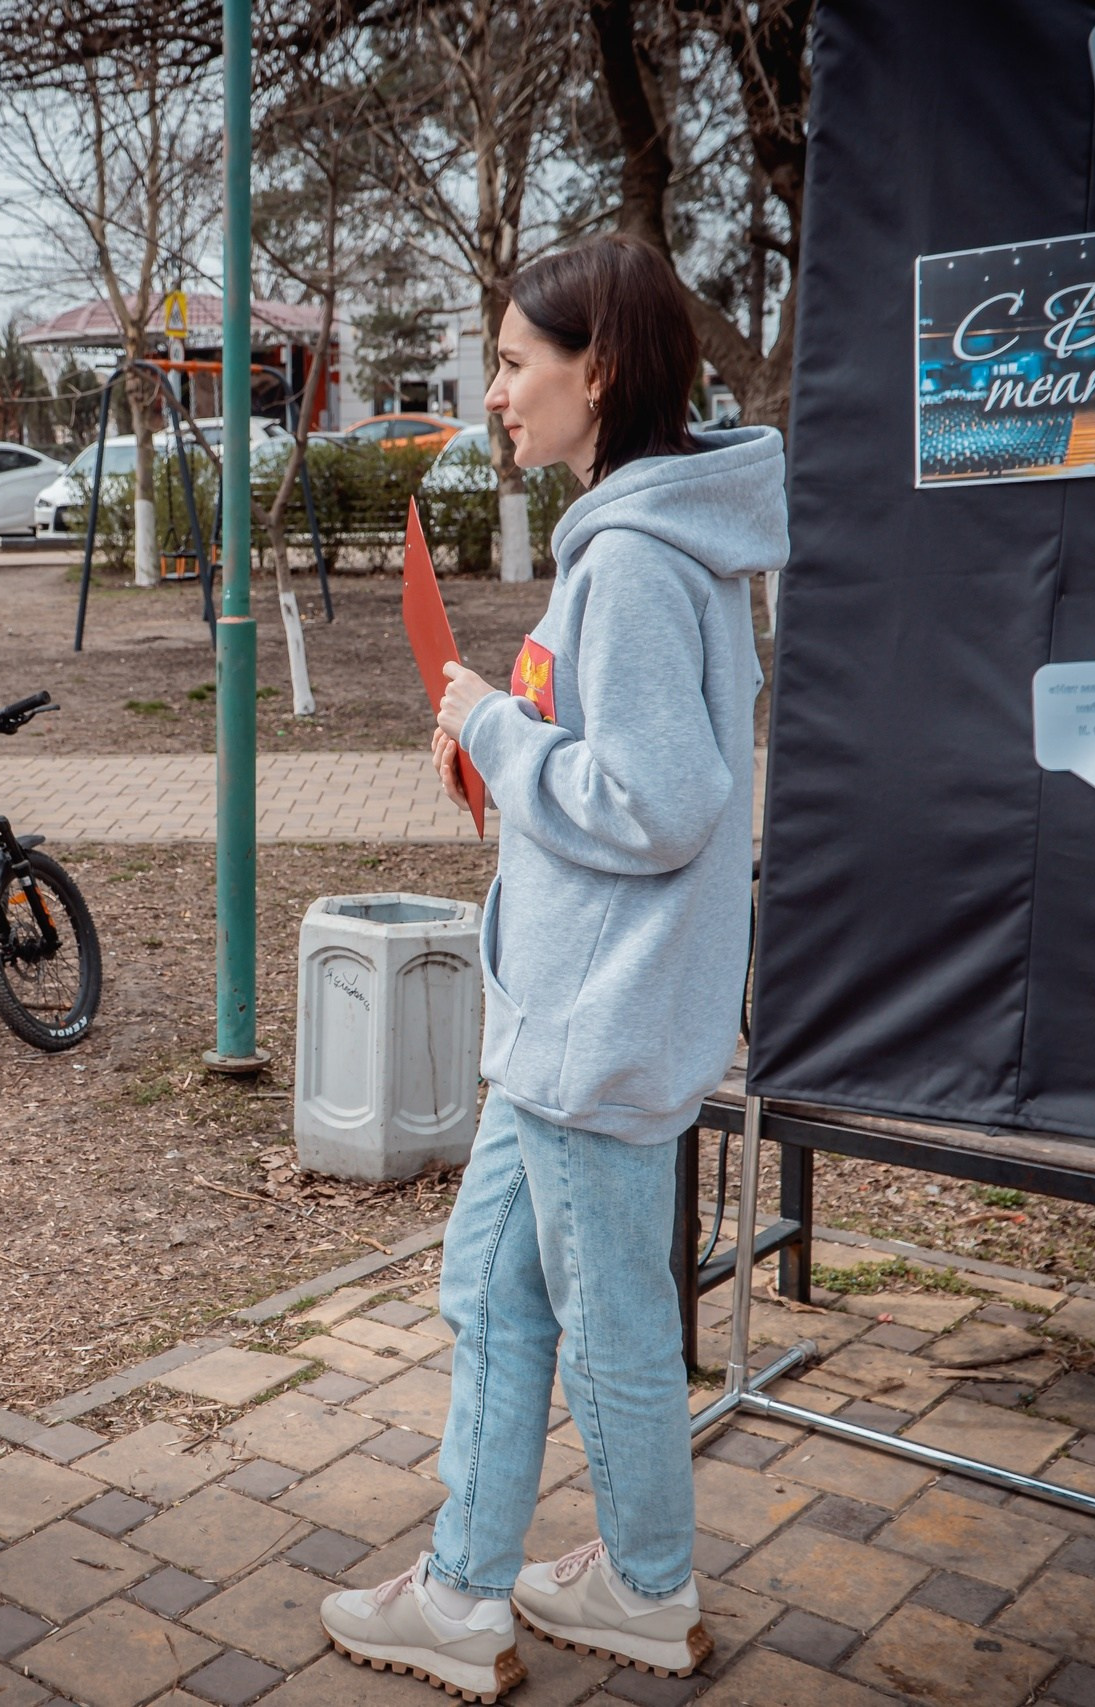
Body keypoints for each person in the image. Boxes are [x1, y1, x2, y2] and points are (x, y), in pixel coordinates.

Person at [317, 236, 787, 1698]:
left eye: (517, 361)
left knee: (610, 1324)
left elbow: (658, 800)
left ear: (601, 368)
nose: (498, 389)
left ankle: (641, 1584)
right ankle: (471, 1585)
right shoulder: (646, 537)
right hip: (572, 1026)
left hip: (591, 1029)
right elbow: (615, 776)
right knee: (493, 1292)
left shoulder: (639, 558)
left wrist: (502, 734)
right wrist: (502, 751)